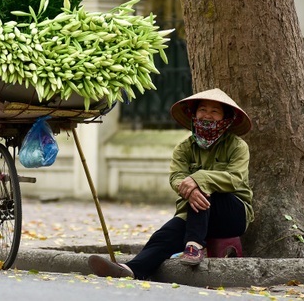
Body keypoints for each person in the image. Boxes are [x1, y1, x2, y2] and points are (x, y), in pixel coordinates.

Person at [87, 88, 254, 280]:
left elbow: (236, 178)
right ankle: (130, 270)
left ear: (226, 118)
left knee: (203, 189)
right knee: (164, 235)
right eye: (202, 110)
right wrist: (189, 189)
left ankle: (194, 244)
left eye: (215, 111)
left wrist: (199, 179)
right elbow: (176, 177)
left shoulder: (237, 146)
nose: (207, 115)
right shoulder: (184, 148)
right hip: (194, 213)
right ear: (194, 114)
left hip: (232, 215)